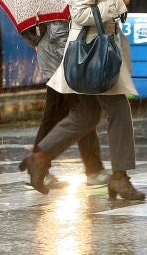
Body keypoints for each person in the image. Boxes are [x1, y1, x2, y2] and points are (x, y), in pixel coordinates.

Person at [20, 0, 144, 201]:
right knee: (119, 112)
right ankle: (119, 178)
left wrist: (119, 1)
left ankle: (40, 158)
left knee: (86, 115)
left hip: (94, 53)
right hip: (93, 56)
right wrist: (117, 2)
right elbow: (79, 14)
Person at [21, 19, 110, 190]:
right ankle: (93, 170)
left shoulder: (47, 7)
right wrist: (75, 61)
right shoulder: (59, 6)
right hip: (63, 62)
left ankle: (39, 170)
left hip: (56, 59)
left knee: (58, 113)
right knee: (85, 111)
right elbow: (59, 33)